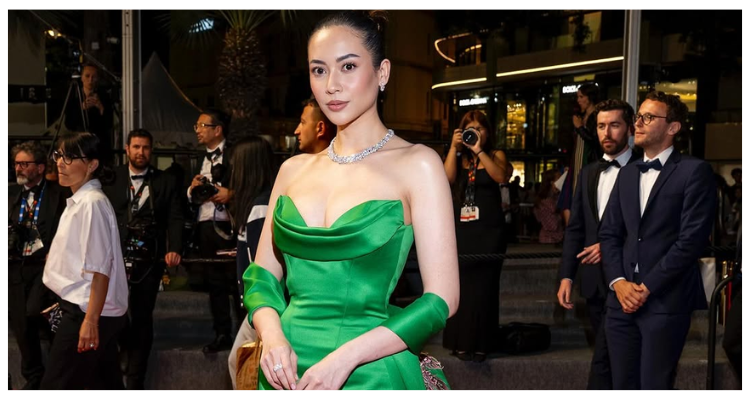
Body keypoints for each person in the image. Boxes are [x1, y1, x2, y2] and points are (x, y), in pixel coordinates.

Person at [243, 11, 459, 390]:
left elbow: (442, 300)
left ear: (382, 72)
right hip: (283, 370)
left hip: (369, 370)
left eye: (348, 66)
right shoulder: (292, 170)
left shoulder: (418, 165)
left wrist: (345, 359)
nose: (332, 85)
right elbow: (261, 276)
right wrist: (273, 336)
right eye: (319, 70)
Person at [600, 92, 717, 389]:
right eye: (638, 116)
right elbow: (609, 234)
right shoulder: (627, 173)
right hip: (620, 302)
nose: (638, 123)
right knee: (621, 386)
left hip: (666, 300)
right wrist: (619, 282)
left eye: (648, 117)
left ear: (673, 127)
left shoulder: (695, 171)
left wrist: (647, 287)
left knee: (655, 386)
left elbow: (691, 241)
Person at [557, 99, 640, 390]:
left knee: (609, 358)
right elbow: (576, 229)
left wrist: (609, 247)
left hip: (630, 281)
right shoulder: (588, 172)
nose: (607, 132)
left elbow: (649, 229)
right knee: (607, 356)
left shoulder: (645, 170)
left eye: (614, 125)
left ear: (630, 129)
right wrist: (567, 276)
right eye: (601, 126)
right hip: (593, 281)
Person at [40, 132, 129, 389]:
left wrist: (90, 321)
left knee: (56, 386)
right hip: (86, 308)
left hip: (87, 312)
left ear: (92, 165)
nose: (60, 162)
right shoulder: (80, 201)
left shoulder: (92, 203)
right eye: (59, 155)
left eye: (70, 157)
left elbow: (101, 270)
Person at [102, 129, 184, 389]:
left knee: (142, 317)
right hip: (114, 257)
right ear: (127, 149)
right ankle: (125, 351)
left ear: (151, 150)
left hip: (150, 258)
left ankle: (135, 382)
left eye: (146, 147)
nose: (141, 152)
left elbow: (175, 217)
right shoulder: (111, 178)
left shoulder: (165, 181)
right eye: (136, 147)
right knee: (115, 314)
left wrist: (174, 248)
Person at [441, 110, 507, 363]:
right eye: (470, 129)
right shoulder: (459, 158)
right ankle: (460, 342)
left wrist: (479, 151)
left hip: (490, 230)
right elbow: (446, 179)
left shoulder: (495, 155)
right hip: (463, 230)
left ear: (488, 132)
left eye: (480, 128)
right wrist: (454, 148)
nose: (475, 133)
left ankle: (482, 344)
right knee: (463, 287)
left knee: (485, 288)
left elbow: (500, 176)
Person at [8, 141, 69, 389]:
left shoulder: (59, 194)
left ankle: (59, 376)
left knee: (40, 314)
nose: (19, 168)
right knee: (21, 326)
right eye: (16, 164)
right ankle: (33, 379)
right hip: (15, 267)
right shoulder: (10, 195)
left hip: (47, 268)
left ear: (41, 167)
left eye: (25, 164)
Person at [225, 136, 278, 388]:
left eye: (235, 165)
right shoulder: (260, 202)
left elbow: (264, 261)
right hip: (261, 303)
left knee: (241, 364)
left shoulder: (261, 207)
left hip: (263, 304)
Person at [187, 108, 239, 353]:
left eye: (202, 125)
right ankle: (222, 334)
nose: (197, 130)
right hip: (205, 224)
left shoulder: (236, 153)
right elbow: (187, 195)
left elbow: (249, 184)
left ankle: (246, 334)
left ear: (217, 130)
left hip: (231, 223)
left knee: (237, 281)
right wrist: (192, 189)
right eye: (196, 126)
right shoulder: (195, 157)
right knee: (214, 283)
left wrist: (231, 194)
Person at [558, 83, 603, 226]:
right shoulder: (581, 116)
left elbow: (595, 141)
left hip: (588, 163)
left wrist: (579, 128)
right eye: (578, 97)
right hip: (576, 163)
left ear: (590, 98)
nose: (578, 100)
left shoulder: (597, 116)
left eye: (581, 97)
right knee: (568, 200)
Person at [64, 63, 114, 164]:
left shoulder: (104, 96)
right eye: (87, 76)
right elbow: (69, 123)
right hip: (79, 143)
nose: (90, 80)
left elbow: (109, 123)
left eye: (94, 77)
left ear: (98, 79)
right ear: (81, 78)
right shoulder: (73, 96)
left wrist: (101, 107)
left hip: (99, 145)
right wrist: (82, 108)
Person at [534, 169, 564, 244]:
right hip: (548, 238)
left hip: (558, 237)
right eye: (559, 179)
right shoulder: (545, 200)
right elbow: (553, 225)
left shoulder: (555, 197)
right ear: (551, 182)